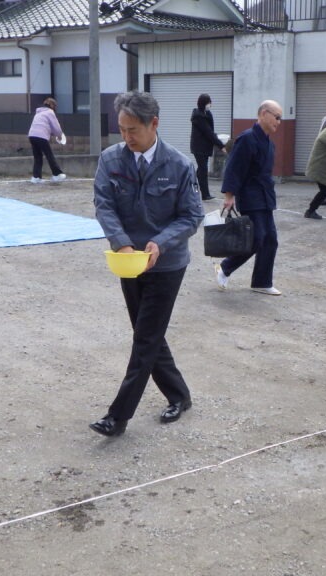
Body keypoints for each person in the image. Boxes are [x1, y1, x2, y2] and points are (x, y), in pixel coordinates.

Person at [90, 90, 203, 437]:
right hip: (128, 262)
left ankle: (117, 416)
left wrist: (161, 242)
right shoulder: (111, 159)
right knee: (148, 334)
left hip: (167, 265)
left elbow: (192, 216)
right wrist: (122, 243)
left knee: (145, 338)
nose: (127, 137)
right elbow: (104, 204)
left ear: (154, 124)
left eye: (133, 130)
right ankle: (179, 395)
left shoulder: (179, 164)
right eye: (122, 130)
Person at [215, 100, 283, 296]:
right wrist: (229, 195)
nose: (278, 122)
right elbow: (234, 168)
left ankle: (262, 282)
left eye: (280, 119)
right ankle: (225, 268)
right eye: (276, 117)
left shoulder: (269, 143)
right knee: (256, 238)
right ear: (263, 114)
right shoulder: (247, 138)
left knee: (270, 240)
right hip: (250, 196)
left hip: (265, 196)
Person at [190, 93, 226, 201]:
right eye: (209, 102)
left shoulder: (206, 113)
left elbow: (210, 131)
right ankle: (205, 194)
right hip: (199, 147)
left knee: (201, 170)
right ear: (204, 103)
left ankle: (191, 187)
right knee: (203, 170)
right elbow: (208, 132)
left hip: (204, 147)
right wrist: (221, 145)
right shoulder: (198, 116)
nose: (210, 104)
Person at [27, 97, 66, 183]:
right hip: (41, 136)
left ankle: (36, 177)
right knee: (49, 155)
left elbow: (44, 126)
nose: (55, 108)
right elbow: (56, 127)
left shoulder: (38, 113)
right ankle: (57, 174)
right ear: (52, 105)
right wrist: (60, 136)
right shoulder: (50, 112)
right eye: (55, 106)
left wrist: (52, 133)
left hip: (32, 135)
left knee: (38, 157)